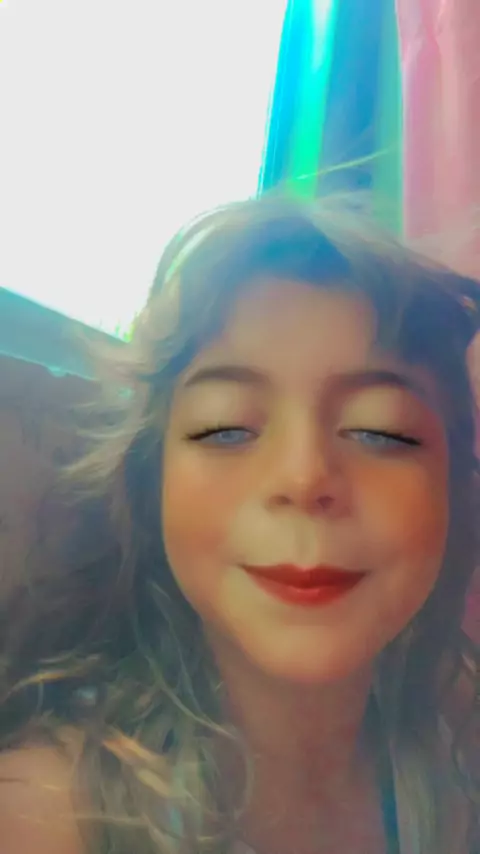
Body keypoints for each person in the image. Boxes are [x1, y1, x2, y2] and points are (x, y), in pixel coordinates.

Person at [0, 193, 478, 854]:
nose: (303, 477)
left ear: (453, 490)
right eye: (225, 428)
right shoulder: (51, 817)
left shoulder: (455, 769)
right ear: (150, 486)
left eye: (380, 430)